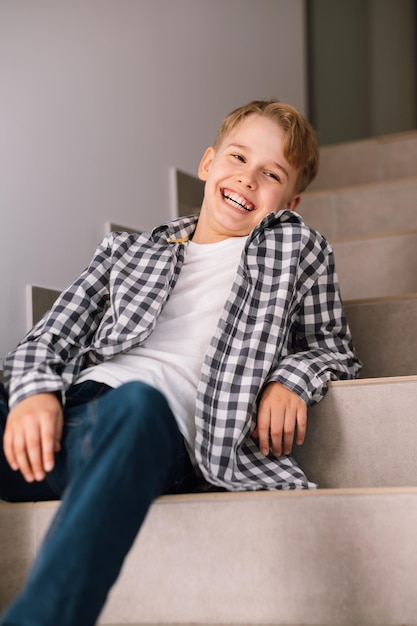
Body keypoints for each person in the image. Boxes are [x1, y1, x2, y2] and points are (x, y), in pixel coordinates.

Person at [0, 99, 361, 625]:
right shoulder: (127, 251)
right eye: (237, 159)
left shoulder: (296, 249)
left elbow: (334, 347)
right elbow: (46, 339)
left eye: (271, 174)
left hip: (155, 431)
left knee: (137, 406)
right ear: (208, 163)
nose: (247, 180)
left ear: (292, 201)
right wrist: (34, 392)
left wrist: (290, 380)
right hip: (68, 418)